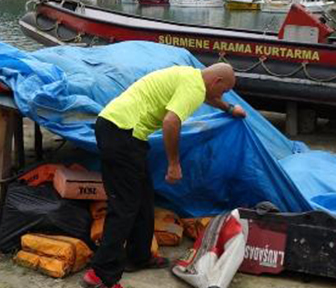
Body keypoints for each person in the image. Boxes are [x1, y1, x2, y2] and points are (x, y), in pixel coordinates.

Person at [81, 63, 246, 288]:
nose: (223, 94)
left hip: (121, 130)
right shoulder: (195, 88)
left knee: (143, 197)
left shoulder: (191, 78)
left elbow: (208, 96)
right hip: (122, 132)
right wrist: (174, 164)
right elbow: (171, 121)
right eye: (225, 90)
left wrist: (228, 108)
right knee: (124, 207)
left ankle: (138, 256)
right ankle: (100, 274)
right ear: (216, 81)